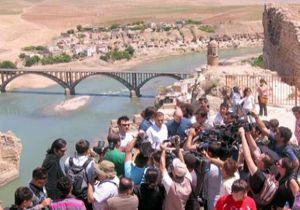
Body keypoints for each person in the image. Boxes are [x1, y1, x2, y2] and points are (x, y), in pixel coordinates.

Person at [160, 142, 192, 210]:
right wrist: (177, 148)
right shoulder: (189, 179)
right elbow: (183, 162)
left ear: (174, 173)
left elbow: (162, 167)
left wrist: (163, 150)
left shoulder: (171, 186)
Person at [64, 139, 94, 209]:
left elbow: (66, 173)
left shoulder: (68, 160)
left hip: (71, 193)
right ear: (87, 150)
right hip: (84, 195)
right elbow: (90, 181)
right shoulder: (90, 163)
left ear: (76, 149)